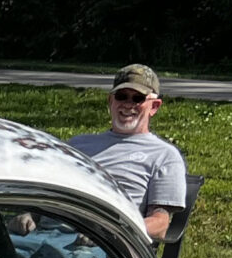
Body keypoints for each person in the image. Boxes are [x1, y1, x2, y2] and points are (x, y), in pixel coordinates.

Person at [69, 64, 185, 240]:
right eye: (121, 96)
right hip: (51, 231)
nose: (128, 104)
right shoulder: (77, 144)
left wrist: (112, 231)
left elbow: (160, 224)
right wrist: (29, 215)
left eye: (138, 98)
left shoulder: (164, 155)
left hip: (108, 253)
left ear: (154, 106)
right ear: (110, 101)